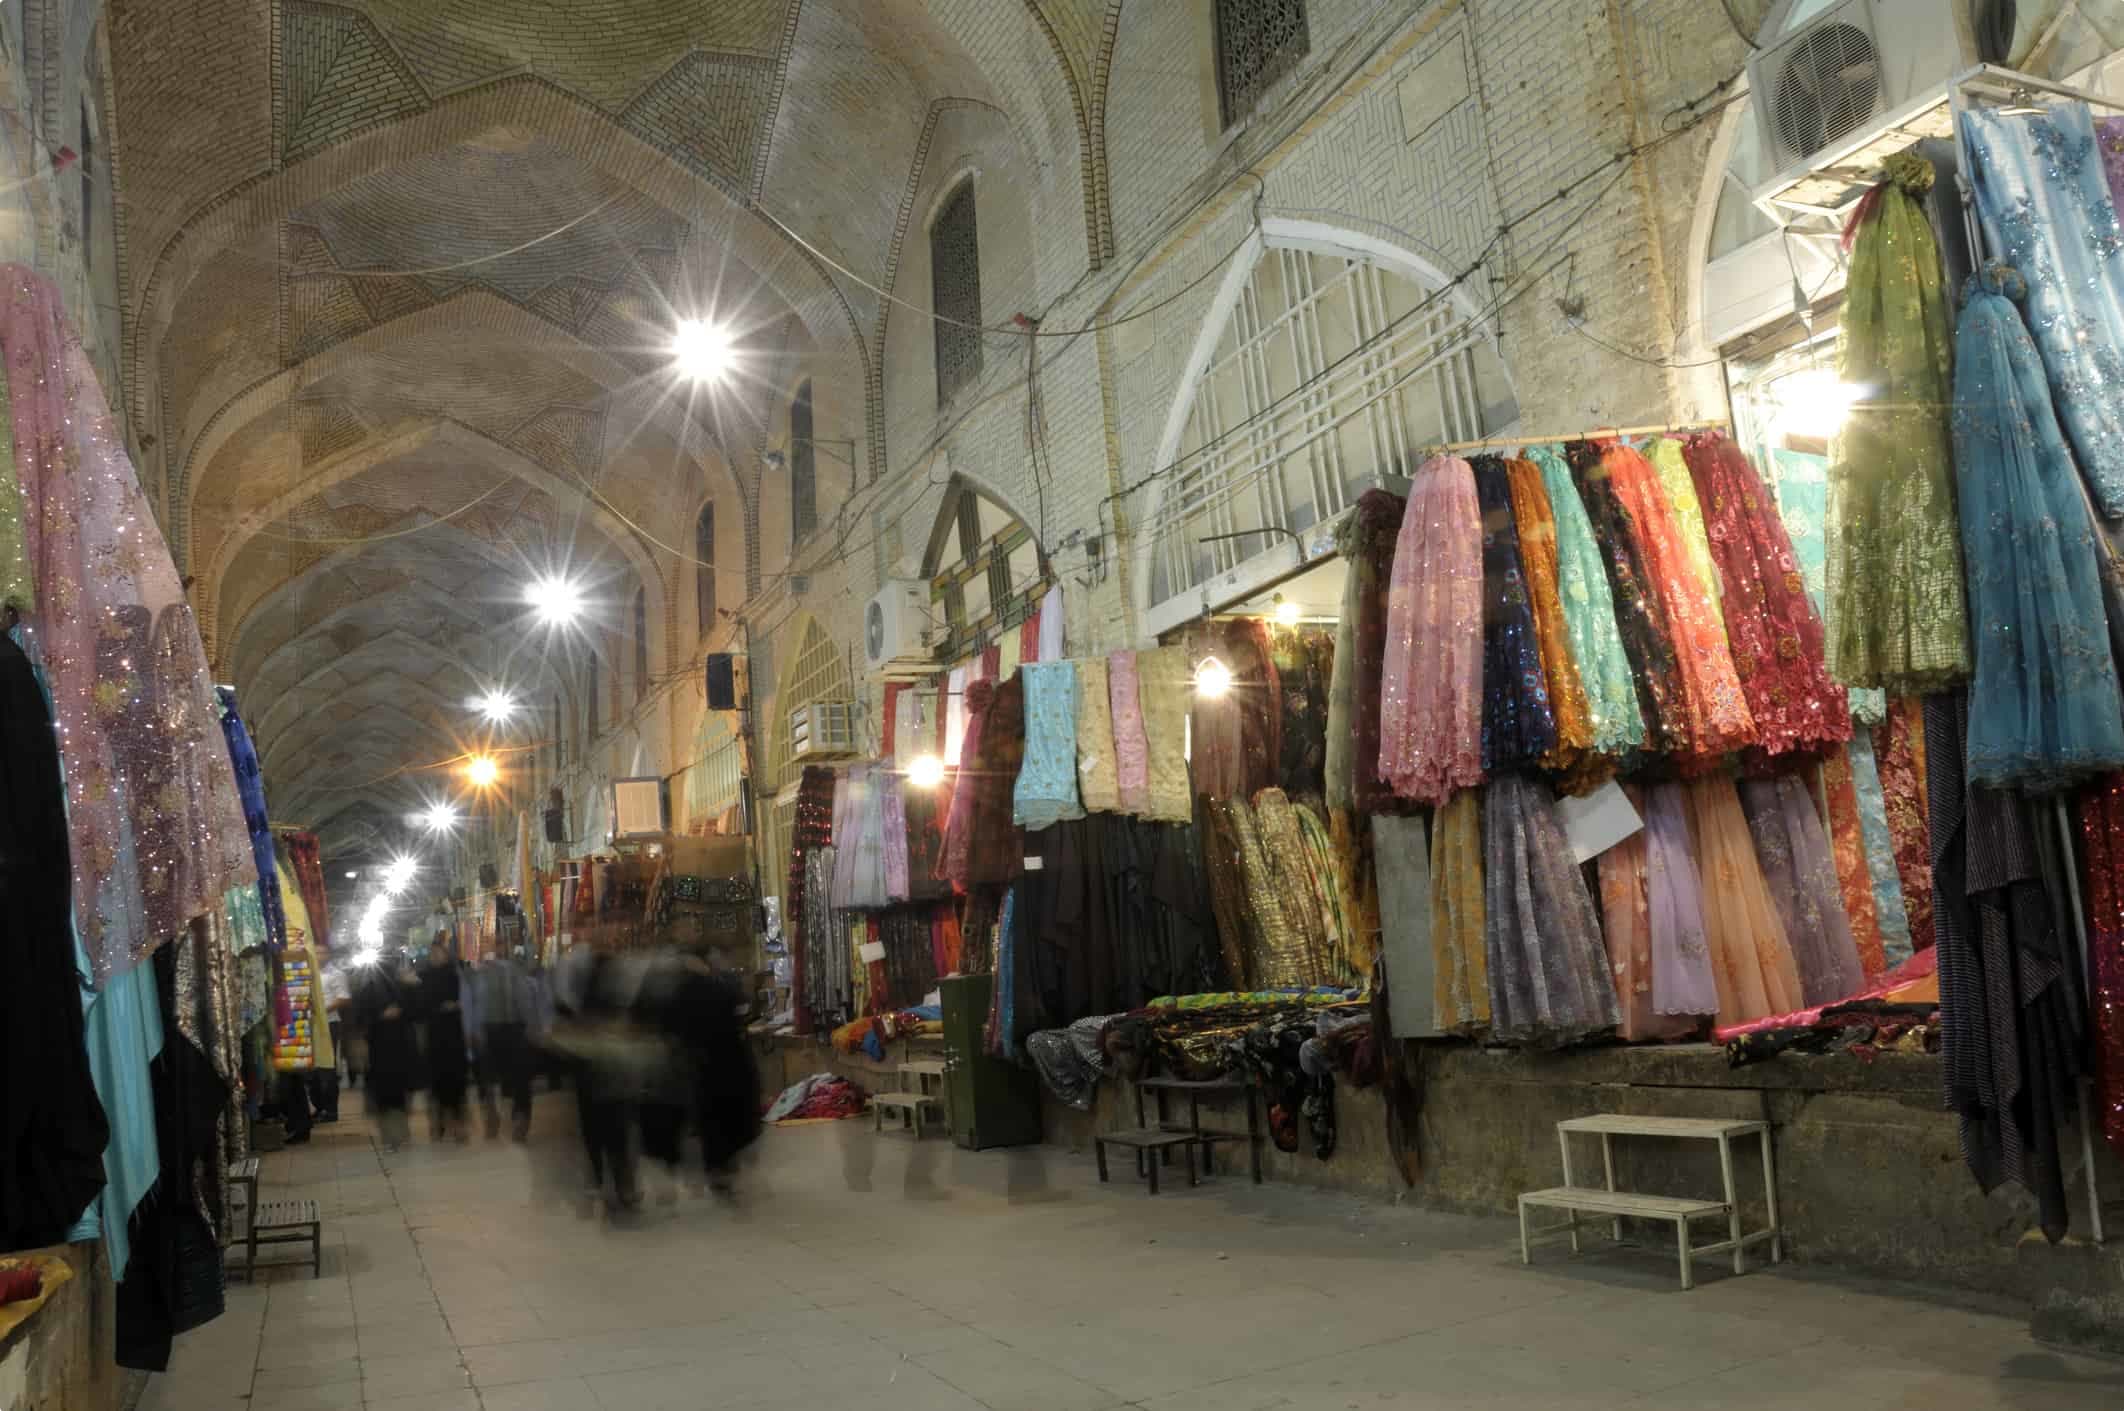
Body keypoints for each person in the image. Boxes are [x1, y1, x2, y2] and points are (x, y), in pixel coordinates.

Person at [468, 946, 536, 1140]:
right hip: (494, 1029)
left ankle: (516, 1117)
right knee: (496, 1076)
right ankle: (497, 1115)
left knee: (513, 1076)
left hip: (509, 1028)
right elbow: (474, 1004)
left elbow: (524, 999)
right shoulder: (479, 976)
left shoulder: (509, 972)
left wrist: (530, 1025)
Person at [355, 957, 419, 1152]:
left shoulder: (372, 989)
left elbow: (413, 1011)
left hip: (387, 1048)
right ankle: (395, 1134)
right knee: (392, 1092)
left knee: (390, 1092)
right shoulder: (394, 988)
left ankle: (394, 1135)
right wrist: (382, 1016)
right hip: (390, 1047)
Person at [416, 939, 470, 1141]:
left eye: (440, 953)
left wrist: (455, 1007)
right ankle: (438, 1122)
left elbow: (464, 1001)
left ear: (447, 955)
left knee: (456, 1079)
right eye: (433, 954)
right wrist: (439, 1007)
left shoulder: (455, 975)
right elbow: (421, 1006)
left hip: (454, 1035)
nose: (436, 957)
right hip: (434, 1036)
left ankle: (458, 1122)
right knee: (436, 1081)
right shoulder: (424, 977)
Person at [313, 963, 351, 1121]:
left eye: (322, 952)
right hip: (311, 1024)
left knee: (327, 1066)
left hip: (329, 1023)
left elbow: (344, 999)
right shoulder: (308, 971)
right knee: (313, 1068)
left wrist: (321, 1010)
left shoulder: (336, 974)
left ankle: (330, 1110)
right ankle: (319, 1106)